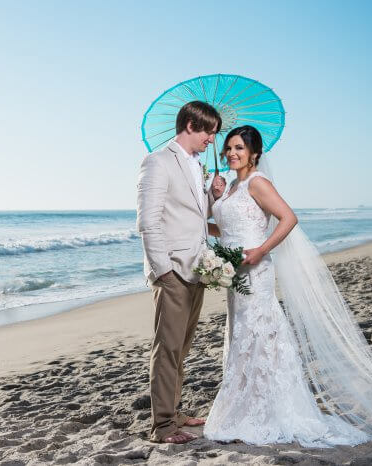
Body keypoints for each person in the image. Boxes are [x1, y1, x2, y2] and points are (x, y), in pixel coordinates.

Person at [203, 125, 372, 457]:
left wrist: (261, 250)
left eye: (239, 147)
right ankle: (245, 405)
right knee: (241, 335)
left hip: (255, 269)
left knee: (259, 332)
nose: (232, 153)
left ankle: (269, 408)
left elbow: (287, 218)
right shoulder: (229, 187)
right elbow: (222, 228)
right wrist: (213, 196)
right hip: (233, 272)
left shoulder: (258, 183)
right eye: (228, 148)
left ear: (254, 153)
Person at [136, 101, 221, 444]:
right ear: (190, 124)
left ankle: (174, 409)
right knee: (167, 349)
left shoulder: (196, 166)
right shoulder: (157, 162)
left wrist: (213, 197)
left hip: (197, 269)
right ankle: (164, 425)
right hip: (172, 271)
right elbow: (148, 222)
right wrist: (163, 271)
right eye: (208, 132)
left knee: (181, 348)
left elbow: (196, 219)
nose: (212, 140)